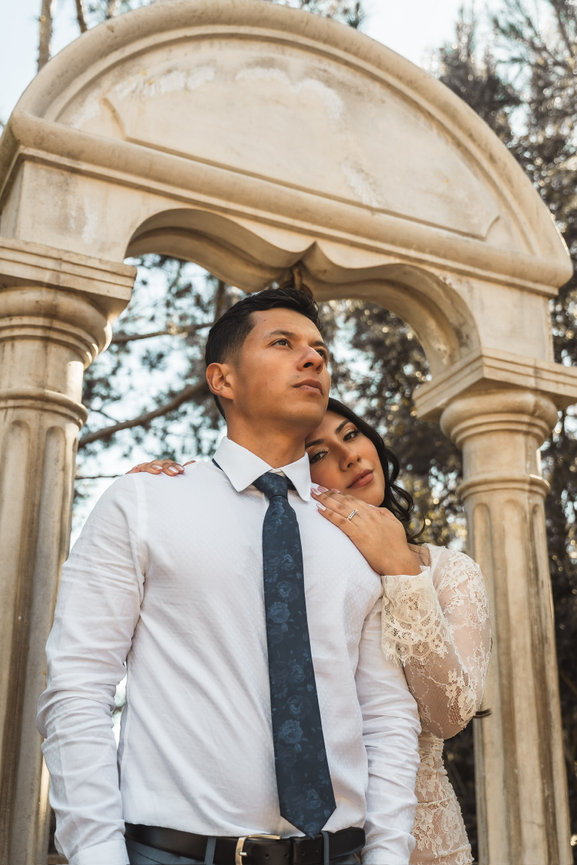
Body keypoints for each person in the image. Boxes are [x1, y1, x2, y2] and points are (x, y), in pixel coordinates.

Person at [37, 286, 421, 865]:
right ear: (223, 380)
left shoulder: (355, 532)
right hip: (175, 853)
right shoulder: (144, 502)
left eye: (320, 348)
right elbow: (78, 685)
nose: (314, 358)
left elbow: (387, 714)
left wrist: (388, 857)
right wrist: (95, 853)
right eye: (284, 343)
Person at [131, 397, 491, 865]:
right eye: (318, 453)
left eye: (352, 434)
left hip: (419, 839)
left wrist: (403, 570)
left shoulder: (448, 571)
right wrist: (169, 490)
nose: (351, 457)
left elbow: (448, 715)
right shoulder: (264, 556)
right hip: (281, 839)